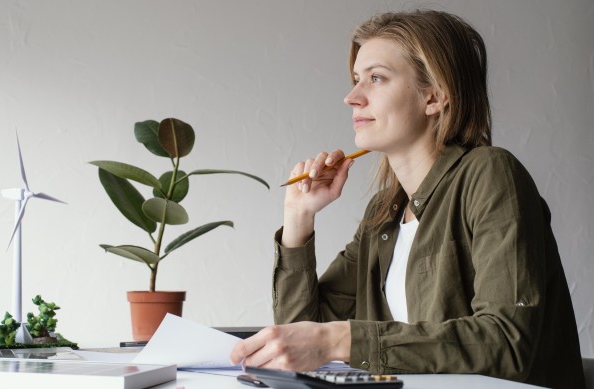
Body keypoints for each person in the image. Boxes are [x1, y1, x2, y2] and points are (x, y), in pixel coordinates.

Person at [229, 9, 585, 389]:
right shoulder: (382, 216)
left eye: (376, 78)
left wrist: (341, 339)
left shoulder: (491, 174)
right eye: (355, 80)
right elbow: (302, 336)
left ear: (434, 96)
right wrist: (298, 218)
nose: (352, 97)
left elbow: (506, 343)